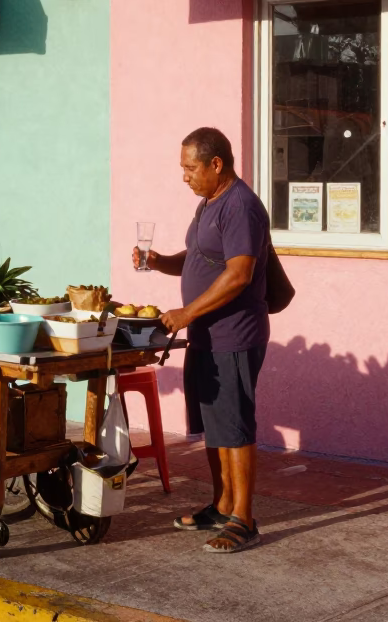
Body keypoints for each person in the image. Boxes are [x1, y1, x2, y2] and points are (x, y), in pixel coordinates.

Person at [133, 127, 270, 554]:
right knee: (215, 424)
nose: (185, 176)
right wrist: (158, 262)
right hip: (206, 334)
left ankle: (244, 519)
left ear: (216, 164)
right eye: (182, 168)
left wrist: (186, 313)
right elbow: (198, 259)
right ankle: (222, 504)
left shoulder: (241, 206)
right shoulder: (207, 203)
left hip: (234, 333)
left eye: (191, 168)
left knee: (235, 425)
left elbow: (239, 273)